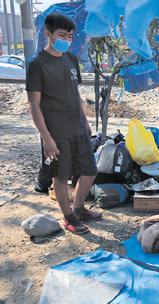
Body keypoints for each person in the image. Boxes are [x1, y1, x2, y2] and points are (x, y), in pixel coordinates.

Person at [26, 13, 101, 235]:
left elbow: (75, 94)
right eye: (62, 35)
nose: (66, 40)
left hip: (78, 126)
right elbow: (34, 105)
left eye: (70, 36)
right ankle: (68, 216)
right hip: (56, 131)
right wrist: (47, 139)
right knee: (61, 175)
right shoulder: (37, 64)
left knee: (90, 171)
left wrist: (85, 121)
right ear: (48, 34)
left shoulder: (71, 60)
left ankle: (78, 208)